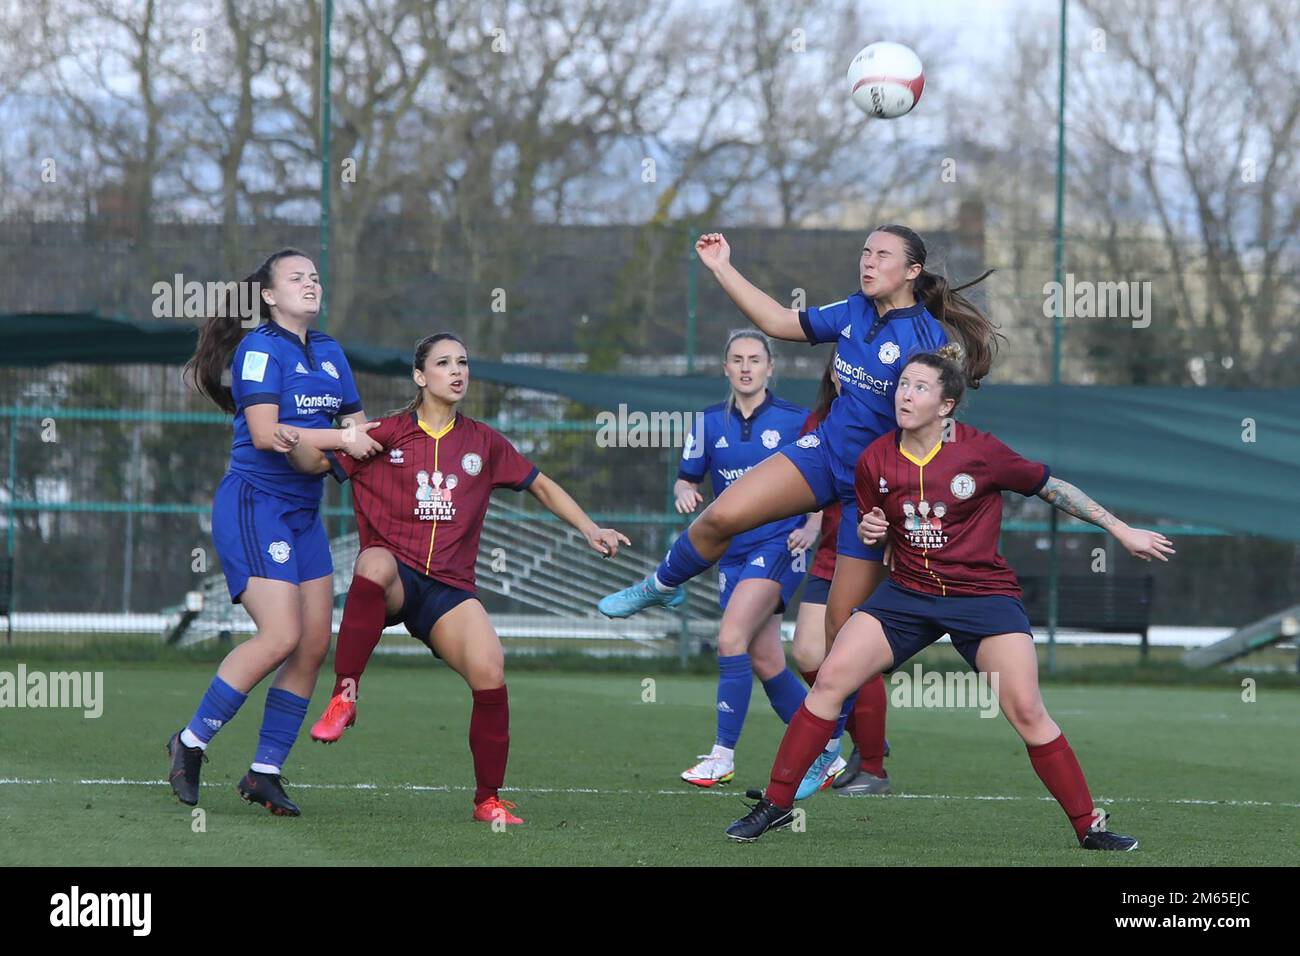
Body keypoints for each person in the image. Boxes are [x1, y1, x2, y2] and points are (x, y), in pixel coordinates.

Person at [725, 346, 1175, 849]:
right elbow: (879, 530)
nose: (905, 394)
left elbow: (1051, 487)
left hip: (982, 597)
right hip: (909, 593)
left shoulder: (981, 452)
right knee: (829, 679)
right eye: (902, 385)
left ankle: (1090, 826)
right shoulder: (875, 457)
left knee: (1026, 710)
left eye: (920, 387)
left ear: (946, 406)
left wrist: (1120, 529)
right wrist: (874, 528)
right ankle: (777, 803)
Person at [598, 226, 999, 700]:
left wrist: (902, 515)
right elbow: (778, 322)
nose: (867, 262)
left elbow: (927, 432)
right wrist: (722, 267)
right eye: (865, 252)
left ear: (912, 271)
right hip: (823, 455)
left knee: (838, 636)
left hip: (871, 491)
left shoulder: (923, 338)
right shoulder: (854, 309)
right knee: (721, 514)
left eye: (882, 255)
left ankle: (834, 748)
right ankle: (663, 584)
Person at [290, 333, 630, 824]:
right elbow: (314, 462)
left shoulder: (483, 442)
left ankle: (487, 799)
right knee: (373, 564)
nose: (457, 371)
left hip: (448, 590)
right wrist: (293, 438)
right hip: (394, 578)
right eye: (444, 362)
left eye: (463, 362)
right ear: (419, 375)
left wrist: (589, 527)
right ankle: (345, 694)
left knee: (491, 671)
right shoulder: (383, 432)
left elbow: (541, 485)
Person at [168, 249, 382, 816]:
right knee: (281, 635)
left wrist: (344, 448)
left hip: (303, 513)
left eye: (315, 276)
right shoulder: (259, 349)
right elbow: (266, 435)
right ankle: (189, 744)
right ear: (268, 295)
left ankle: (264, 772)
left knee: (313, 645)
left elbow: (353, 431)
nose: (310, 284)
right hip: (255, 506)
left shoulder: (332, 353)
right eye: (296, 277)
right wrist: (341, 444)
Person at [671, 330, 819, 788]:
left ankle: (721, 756)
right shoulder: (709, 421)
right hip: (731, 554)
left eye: (755, 358)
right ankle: (827, 748)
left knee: (730, 638)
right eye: (737, 359)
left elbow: (824, 479)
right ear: (726, 367)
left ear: (770, 367)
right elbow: (686, 477)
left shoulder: (798, 421)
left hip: (778, 546)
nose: (746, 366)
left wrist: (812, 525)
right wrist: (686, 491)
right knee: (768, 660)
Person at [790, 352, 891, 797]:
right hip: (828, 552)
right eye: (842, 364)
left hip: (864, 553)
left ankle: (872, 766)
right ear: (835, 372)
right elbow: (811, 487)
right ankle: (864, 737)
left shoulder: (888, 420)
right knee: (808, 654)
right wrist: (811, 520)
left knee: (851, 656)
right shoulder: (817, 422)